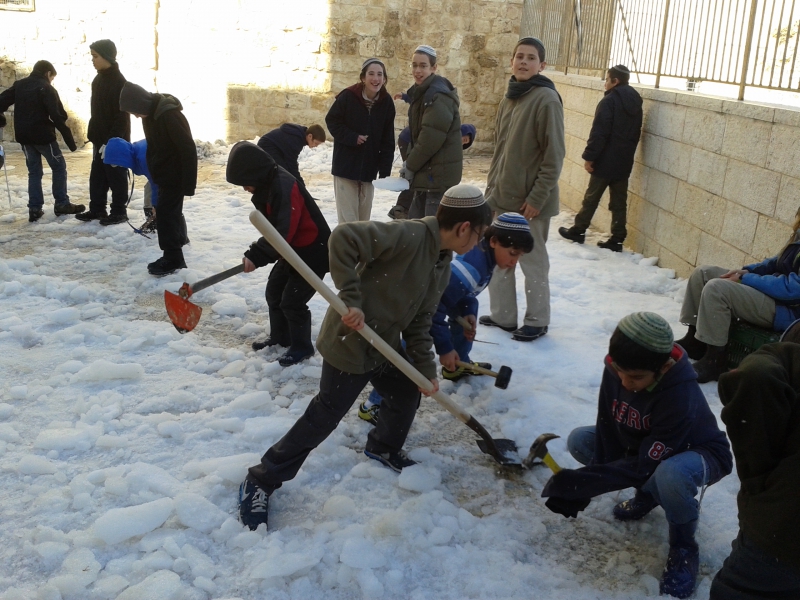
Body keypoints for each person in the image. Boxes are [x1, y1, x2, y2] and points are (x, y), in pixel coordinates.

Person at [237, 184, 493, 531]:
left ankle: (383, 447)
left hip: (384, 343)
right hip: (352, 341)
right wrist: (352, 298)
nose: (477, 244)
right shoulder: (409, 234)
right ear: (464, 227)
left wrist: (424, 369)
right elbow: (342, 239)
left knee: (405, 392)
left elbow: (420, 321)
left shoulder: (441, 263)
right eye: (478, 235)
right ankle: (262, 479)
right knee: (326, 414)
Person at [541, 312, 733, 599]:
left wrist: (587, 482)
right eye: (619, 371)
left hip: (699, 453)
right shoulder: (619, 368)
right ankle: (649, 495)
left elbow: (647, 463)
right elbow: (607, 426)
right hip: (649, 448)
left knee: (669, 474)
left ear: (664, 367)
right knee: (581, 440)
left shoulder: (680, 393)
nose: (625, 382)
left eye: (636, 378)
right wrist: (587, 484)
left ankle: (683, 547)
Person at [359, 210, 533, 425]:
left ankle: (457, 366)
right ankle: (374, 404)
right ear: (495, 241)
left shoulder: (485, 256)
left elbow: (462, 294)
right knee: (410, 352)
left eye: (520, 256)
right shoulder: (472, 268)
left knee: (469, 312)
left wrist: (468, 310)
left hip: (435, 300)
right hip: (416, 308)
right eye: (513, 253)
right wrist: (444, 348)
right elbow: (435, 310)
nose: (515, 261)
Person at [481, 37, 565, 342]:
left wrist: (537, 198)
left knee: (532, 263)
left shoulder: (546, 99)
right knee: (499, 258)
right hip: (502, 198)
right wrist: (491, 193)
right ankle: (503, 316)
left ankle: (537, 319)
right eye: (519, 56)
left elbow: (554, 156)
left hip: (531, 204)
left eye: (531, 58)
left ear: (541, 65)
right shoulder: (510, 96)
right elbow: (500, 151)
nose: (524, 62)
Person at [709, 329, 800, 599]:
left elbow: (757, 375)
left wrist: (757, 483)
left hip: (783, 533)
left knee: (737, 590)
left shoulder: (781, 362)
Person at [226, 141, 330, 367]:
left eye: (245, 183)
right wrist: (258, 253)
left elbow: (282, 232)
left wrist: (257, 255)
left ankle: (302, 346)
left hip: (313, 253)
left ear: (255, 173)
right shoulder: (267, 184)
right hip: (291, 251)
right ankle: (280, 337)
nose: (245, 189)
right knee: (274, 292)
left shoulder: (284, 186)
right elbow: (274, 230)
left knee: (292, 301)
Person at [676, 210, 800, 383]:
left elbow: (794, 290)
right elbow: (774, 262)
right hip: (774, 295)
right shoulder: (798, 234)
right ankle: (695, 340)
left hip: (788, 312)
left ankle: (715, 360)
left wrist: (746, 279)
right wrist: (748, 270)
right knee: (703, 274)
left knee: (717, 289)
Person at [558, 64, 642, 252]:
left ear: (615, 81)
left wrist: (589, 157)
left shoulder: (609, 101)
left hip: (605, 160)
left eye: (607, 79)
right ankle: (617, 238)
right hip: (624, 160)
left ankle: (578, 230)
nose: (605, 83)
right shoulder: (636, 102)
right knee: (619, 201)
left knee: (591, 197)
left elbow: (599, 133)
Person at [119, 82, 197, 277]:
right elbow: (154, 149)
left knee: (167, 217)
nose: (136, 116)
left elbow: (187, 148)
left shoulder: (169, 115)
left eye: (135, 111)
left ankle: (173, 258)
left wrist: (188, 183)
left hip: (175, 176)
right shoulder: (150, 116)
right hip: (163, 175)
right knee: (168, 215)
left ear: (141, 103)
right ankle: (175, 250)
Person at [0, 60, 82, 222]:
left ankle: (35, 208)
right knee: (59, 167)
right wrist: (72, 143)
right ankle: (61, 204)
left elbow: (1, 101)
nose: (51, 80)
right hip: (43, 137)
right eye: (52, 77)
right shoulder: (47, 88)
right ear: (48, 73)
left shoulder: (20, 85)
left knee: (34, 171)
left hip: (24, 138)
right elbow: (58, 116)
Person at [325, 58, 395, 223]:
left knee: (363, 221)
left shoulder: (386, 103)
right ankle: (347, 249)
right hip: (346, 168)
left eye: (380, 74)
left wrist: (384, 172)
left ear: (384, 79)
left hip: (369, 170)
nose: (375, 79)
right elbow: (332, 121)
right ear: (363, 78)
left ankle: (361, 250)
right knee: (349, 221)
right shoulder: (348, 96)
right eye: (371, 74)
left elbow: (388, 139)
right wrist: (352, 137)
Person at [399, 45, 463, 219]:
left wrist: (410, 165)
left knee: (433, 234)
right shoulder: (423, 93)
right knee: (418, 229)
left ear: (433, 68)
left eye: (423, 66)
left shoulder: (437, 97)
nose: (417, 70)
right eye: (414, 65)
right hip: (427, 175)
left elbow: (429, 140)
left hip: (436, 178)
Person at [76, 40, 131, 226]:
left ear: (107, 57)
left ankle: (119, 211)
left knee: (116, 175)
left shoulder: (119, 82)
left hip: (114, 140)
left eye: (95, 56)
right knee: (98, 175)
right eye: (92, 56)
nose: (92, 60)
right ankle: (97, 208)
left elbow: (121, 116)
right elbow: (97, 111)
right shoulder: (98, 79)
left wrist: (112, 140)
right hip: (99, 139)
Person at [101, 137, 188, 243]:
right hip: (166, 169)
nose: (119, 166)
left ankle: (181, 238)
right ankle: (154, 223)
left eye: (118, 163)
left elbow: (156, 183)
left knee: (169, 204)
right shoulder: (135, 149)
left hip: (175, 170)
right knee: (150, 195)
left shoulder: (143, 158)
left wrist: (156, 205)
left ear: (122, 155)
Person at [388, 123, 476, 220]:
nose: (462, 143)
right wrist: (411, 165)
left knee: (418, 175)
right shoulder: (446, 132)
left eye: (465, 144)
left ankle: (407, 209)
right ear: (460, 133)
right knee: (414, 174)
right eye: (464, 139)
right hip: (409, 140)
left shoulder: (450, 141)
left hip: (418, 141)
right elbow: (427, 148)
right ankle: (400, 209)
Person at [256, 123, 325, 188]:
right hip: (267, 146)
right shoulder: (296, 139)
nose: (316, 146)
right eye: (316, 143)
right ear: (310, 136)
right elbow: (292, 164)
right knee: (282, 171)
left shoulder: (300, 136)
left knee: (285, 172)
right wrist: (301, 186)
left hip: (275, 148)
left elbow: (290, 160)